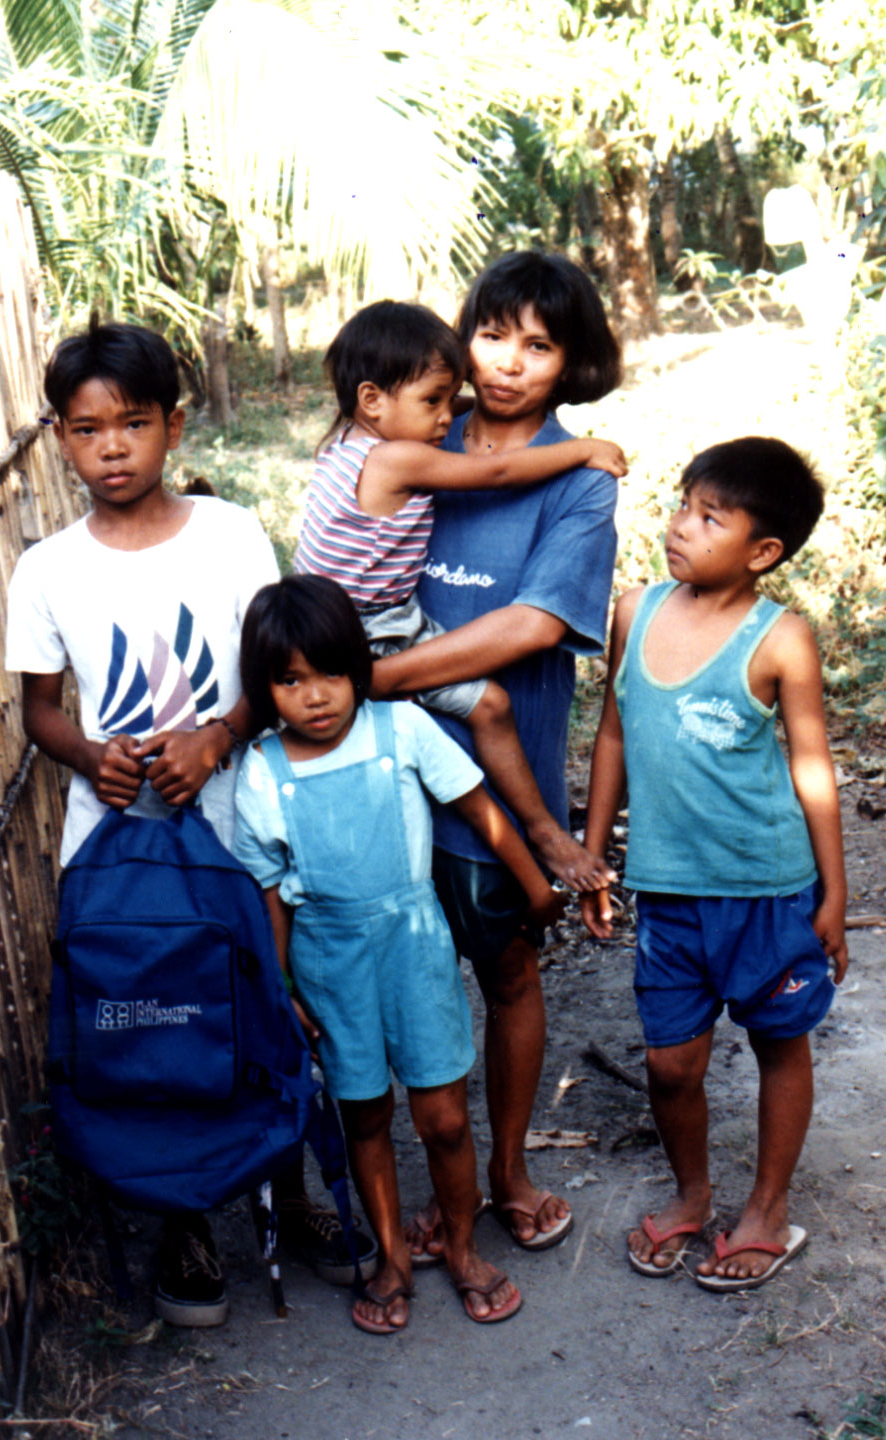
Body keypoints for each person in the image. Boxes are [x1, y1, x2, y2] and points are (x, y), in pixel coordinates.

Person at [4, 319, 375, 1327]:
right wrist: (93, 754)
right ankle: (183, 1219)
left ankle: (291, 1190)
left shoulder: (231, 536)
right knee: (162, 1018)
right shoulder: (46, 570)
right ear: (58, 439)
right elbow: (43, 710)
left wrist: (219, 734)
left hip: (241, 821)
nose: (112, 448)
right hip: (119, 847)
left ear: (174, 426)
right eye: (86, 430)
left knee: (267, 1000)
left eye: (132, 423)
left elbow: (277, 665)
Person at [369, 251, 623, 1257]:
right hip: (382, 771)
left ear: (571, 364)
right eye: (492, 334)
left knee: (507, 971)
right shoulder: (423, 432)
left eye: (540, 344)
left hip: (494, 787)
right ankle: (445, 1178)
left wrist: (378, 674)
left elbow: (529, 626)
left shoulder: (580, 481)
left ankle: (510, 1165)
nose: (509, 363)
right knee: (406, 982)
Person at [233, 574, 568, 1332]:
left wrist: (535, 887)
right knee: (365, 1116)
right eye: (290, 681)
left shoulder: (400, 729)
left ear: (359, 667)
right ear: (265, 688)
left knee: (444, 1116)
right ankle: (390, 1256)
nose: (315, 696)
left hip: (415, 946)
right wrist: (281, 986)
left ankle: (459, 1246)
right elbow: (271, 896)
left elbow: (478, 807)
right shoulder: (262, 773)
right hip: (327, 961)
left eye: (331, 674)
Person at [580, 436, 849, 1290]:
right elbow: (616, 730)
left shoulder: (781, 640)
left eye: (709, 517)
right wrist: (593, 856)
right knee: (670, 1063)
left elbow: (812, 768)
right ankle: (693, 1196)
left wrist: (834, 895)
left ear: (762, 551)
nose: (680, 527)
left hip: (767, 891)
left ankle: (766, 1210)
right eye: (681, 505)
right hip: (668, 892)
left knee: (779, 1043)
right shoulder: (636, 610)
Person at [294, 299, 626, 890]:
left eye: (538, 347)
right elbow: (495, 473)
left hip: (318, 624)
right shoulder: (399, 457)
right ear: (373, 400)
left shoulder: (347, 440)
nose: (446, 417)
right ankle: (545, 834)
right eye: (433, 403)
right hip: (372, 631)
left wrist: (450, 401)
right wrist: (583, 450)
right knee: (490, 707)